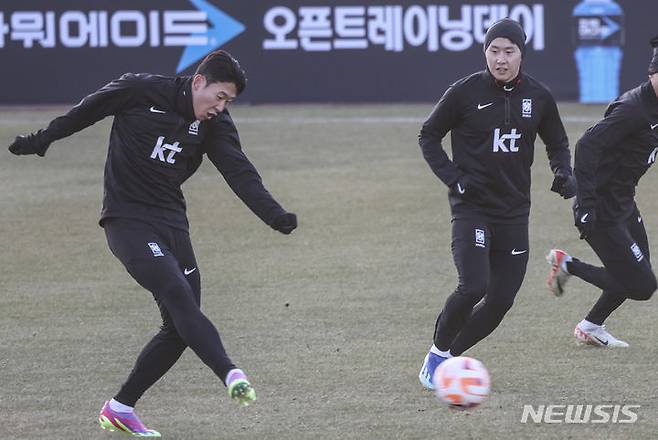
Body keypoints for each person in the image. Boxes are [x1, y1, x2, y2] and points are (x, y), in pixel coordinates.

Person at [8, 50, 297, 437]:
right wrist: (40, 140)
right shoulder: (139, 90)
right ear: (199, 82)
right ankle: (231, 374)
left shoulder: (214, 124)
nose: (221, 106)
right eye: (220, 96)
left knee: (180, 325)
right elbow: (85, 111)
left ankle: (120, 408)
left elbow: (240, 172)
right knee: (177, 294)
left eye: (228, 101)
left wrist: (274, 215)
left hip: (172, 224)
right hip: (127, 220)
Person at [417, 18, 576, 390]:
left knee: (500, 301)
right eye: (493, 51)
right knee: (473, 286)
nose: (500, 59)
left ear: (522, 53)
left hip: (514, 211)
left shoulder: (538, 96)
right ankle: (436, 356)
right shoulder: (463, 92)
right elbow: (428, 135)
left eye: (508, 51)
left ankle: (450, 358)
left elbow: (557, 141)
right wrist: (454, 178)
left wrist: (563, 171)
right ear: (484, 52)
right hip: (471, 207)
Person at [546, 36, 658, 348]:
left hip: (624, 203)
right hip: (601, 209)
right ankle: (567, 265)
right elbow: (587, 145)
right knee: (641, 284)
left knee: (637, 269)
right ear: (652, 73)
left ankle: (590, 326)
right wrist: (585, 205)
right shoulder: (633, 110)